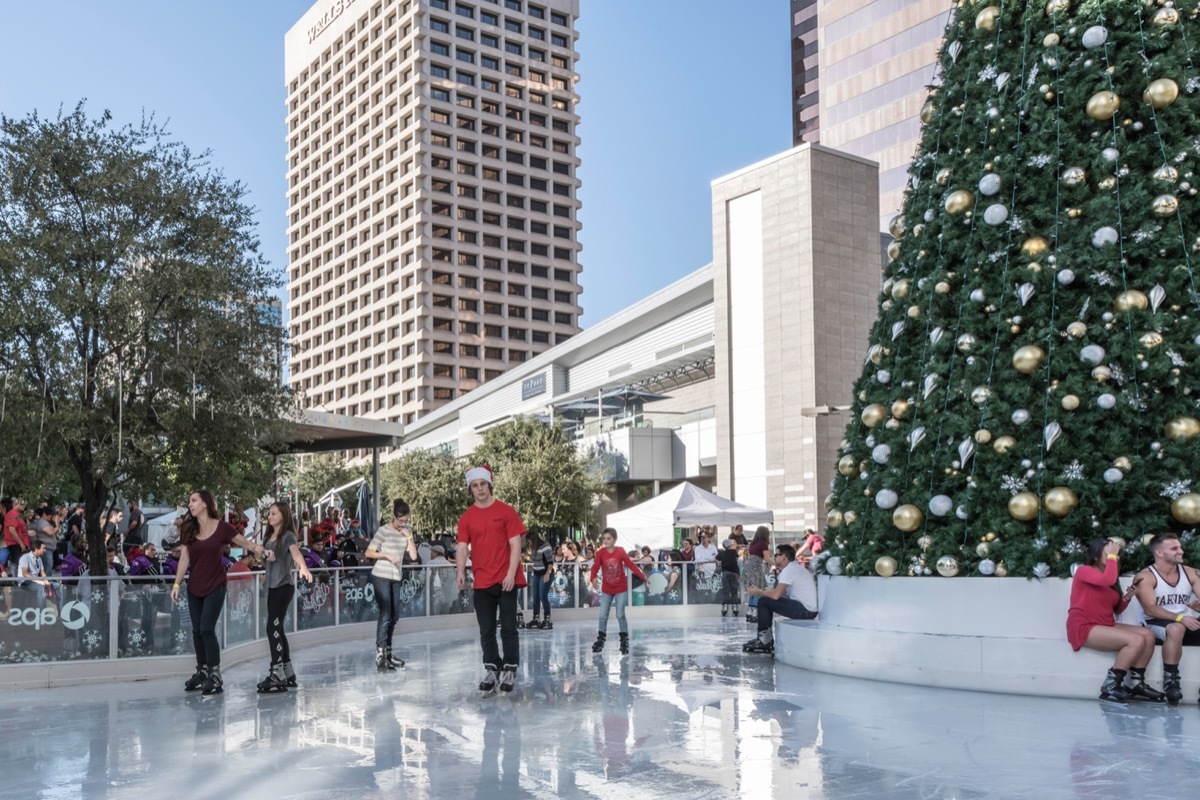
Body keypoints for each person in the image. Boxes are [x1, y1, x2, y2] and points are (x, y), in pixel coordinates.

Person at [170, 489, 272, 696]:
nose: (190, 505)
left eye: (194, 501)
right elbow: (184, 559)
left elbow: (246, 543)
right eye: (190, 501)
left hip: (216, 585)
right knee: (197, 631)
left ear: (205, 503)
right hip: (194, 587)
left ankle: (215, 674)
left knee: (207, 628)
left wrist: (262, 551)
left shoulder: (223, 528)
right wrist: (176, 584)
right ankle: (202, 670)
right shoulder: (188, 528)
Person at [456, 464, 526, 695]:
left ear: (489, 484)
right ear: (470, 489)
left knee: (508, 627)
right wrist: (459, 571)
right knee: (486, 630)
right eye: (475, 486)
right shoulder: (466, 518)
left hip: (506, 579)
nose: (479, 489)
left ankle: (510, 668)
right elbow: (463, 547)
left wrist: (510, 574)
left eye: (482, 484)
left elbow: (516, 544)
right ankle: (492, 669)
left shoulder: (506, 511)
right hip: (482, 582)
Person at [1067, 539, 1163, 703]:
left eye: (1116, 555)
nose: (1114, 558)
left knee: (1148, 635)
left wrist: (1126, 598)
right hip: (1084, 626)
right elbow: (1107, 580)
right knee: (1136, 640)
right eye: (1109, 554)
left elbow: (1116, 610)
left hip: (1104, 624)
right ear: (1096, 557)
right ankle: (1110, 685)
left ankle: (1136, 684)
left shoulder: (1110, 578)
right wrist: (1112, 556)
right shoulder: (1084, 571)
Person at [1132, 533, 1199, 705]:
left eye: (1180, 547)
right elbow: (1150, 608)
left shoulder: (1191, 572)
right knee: (1176, 628)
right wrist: (1179, 618)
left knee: (1180, 626)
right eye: (1174, 548)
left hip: (1185, 621)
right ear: (1159, 553)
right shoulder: (1145, 576)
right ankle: (1171, 682)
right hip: (1155, 623)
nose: (1181, 551)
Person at [256, 501, 313, 693]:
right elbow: (265, 559)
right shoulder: (268, 537)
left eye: (274, 514)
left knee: (272, 626)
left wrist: (303, 567)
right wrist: (265, 565)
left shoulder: (288, 536)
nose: (270, 517)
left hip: (284, 586)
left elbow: (295, 553)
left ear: (283, 516)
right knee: (277, 629)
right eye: (269, 514)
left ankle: (277, 673)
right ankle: (288, 673)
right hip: (272, 587)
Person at [363, 498, 419, 671]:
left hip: (396, 576)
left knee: (395, 616)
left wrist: (408, 537)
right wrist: (386, 555)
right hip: (380, 575)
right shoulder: (383, 531)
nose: (402, 524)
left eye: (406, 521)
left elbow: (414, 556)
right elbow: (369, 552)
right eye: (400, 520)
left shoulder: (406, 531)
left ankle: (388, 652)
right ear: (394, 516)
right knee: (386, 614)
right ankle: (380, 654)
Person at [744, 544, 817, 655]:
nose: (774, 557)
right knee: (765, 600)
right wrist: (761, 591)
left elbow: (775, 596)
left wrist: (758, 592)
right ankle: (765, 638)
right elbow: (777, 593)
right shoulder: (793, 568)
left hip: (805, 610)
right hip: (807, 608)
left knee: (763, 601)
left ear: (784, 556)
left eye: (777, 554)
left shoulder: (789, 570)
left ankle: (764, 640)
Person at [588, 528, 647, 655]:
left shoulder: (620, 551)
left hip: (620, 588)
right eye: (604, 538)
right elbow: (595, 567)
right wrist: (592, 578)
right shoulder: (601, 553)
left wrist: (643, 576)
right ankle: (601, 639)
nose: (606, 541)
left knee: (620, 614)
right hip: (607, 589)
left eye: (608, 538)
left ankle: (624, 640)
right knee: (603, 615)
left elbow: (631, 565)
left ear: (614, 539)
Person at [743, 526, 771, 625]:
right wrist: (777, 563)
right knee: (758, 591)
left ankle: (750, 613)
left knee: (752, 591)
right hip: (756, 568)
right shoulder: (763, 544)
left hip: (748, 568)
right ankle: (755, 613)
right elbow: (767, 558)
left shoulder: (753, 544)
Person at [527, 534, 555, 630]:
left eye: (530, 541)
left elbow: (550, 562)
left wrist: (548, 573)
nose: (529, 543)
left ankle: (548, 618)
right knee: (535, 597)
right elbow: (533, 560)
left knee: (543, 596)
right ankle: (536, 617)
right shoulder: (533, 548)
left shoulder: (545, 546)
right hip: (536, 574)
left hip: (545, 573)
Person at [18, 540, 53, 609]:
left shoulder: (39, 559)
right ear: (37, 549)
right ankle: (41, 613)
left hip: (36, 581)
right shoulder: (25, 557)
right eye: (43, 548)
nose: (45, 550)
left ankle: (61, 612)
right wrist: (38, 581)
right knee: (40, 587)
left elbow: (42, 572)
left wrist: (46, 580)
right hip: (25, 582)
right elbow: (25, 574)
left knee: (58, 586)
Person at [717, 538, 741, 617]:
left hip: (725, 572)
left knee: (726, 590)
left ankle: (725, 606)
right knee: (734, 589)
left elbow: (715, 559)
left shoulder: (721, 553)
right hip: (735, 573)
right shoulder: (734, 552)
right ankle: (735, 606)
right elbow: (737, 558)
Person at [3, 497, 30, 569]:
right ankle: (15, 579)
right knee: (18, 564)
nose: (24, 506)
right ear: (15, 505)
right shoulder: (12, 514)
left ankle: (17, 579)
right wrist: (21, 543)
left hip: (19, 544)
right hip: (16, 544)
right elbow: (11, 530)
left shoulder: (17, 514)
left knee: (21, 564)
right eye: (22, 504)